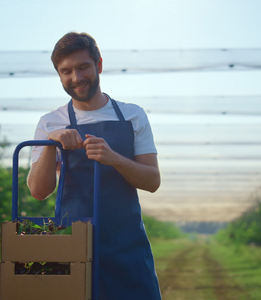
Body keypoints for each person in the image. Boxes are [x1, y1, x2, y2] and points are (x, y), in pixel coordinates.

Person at [27, 32, 162, 300]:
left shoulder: (133, 115)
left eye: (82, 67)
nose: (75, 78)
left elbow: (152, 181)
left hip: (127, 243)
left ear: (98, 65)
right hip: (72, 242)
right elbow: (39, 191)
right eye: (66, 71)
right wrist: (51, 143)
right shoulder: (50, 122)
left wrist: (115, 159)